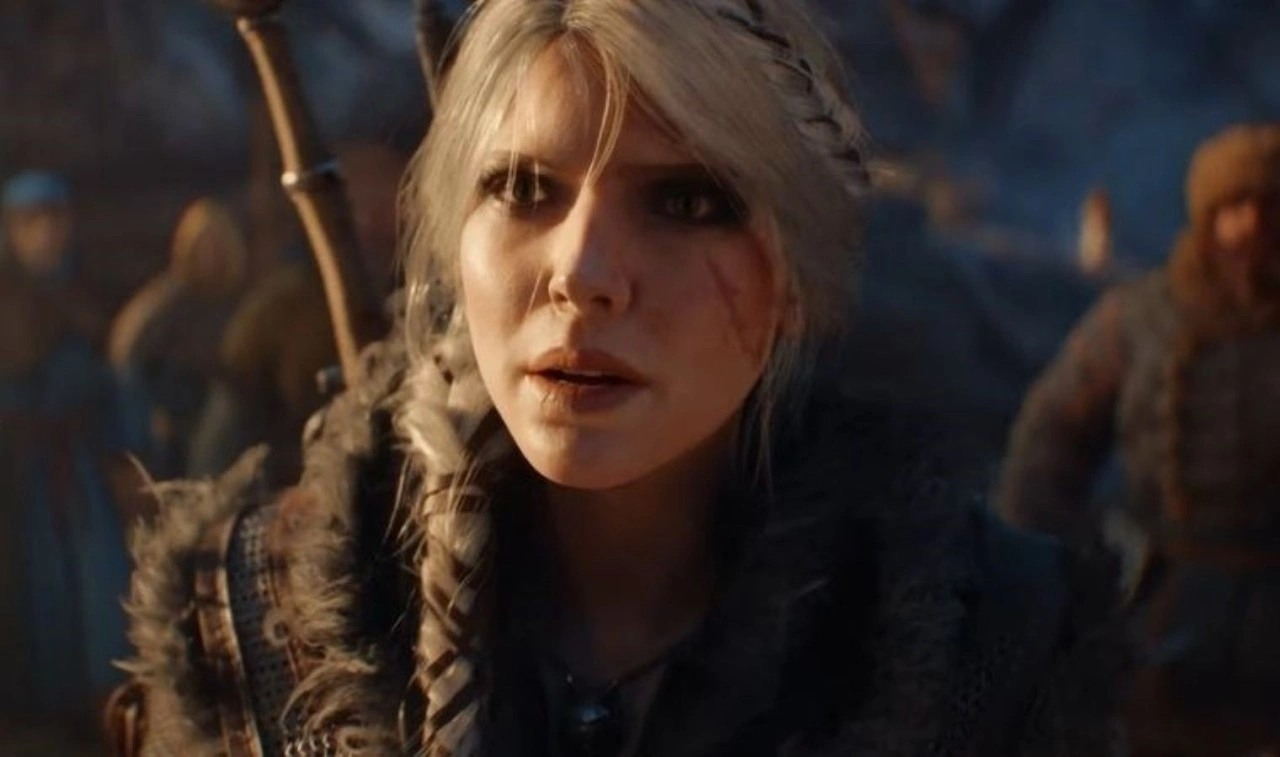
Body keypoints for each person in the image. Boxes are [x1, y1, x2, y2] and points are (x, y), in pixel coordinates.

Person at [111, 1, 1125, 755]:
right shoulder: (260, 629)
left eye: (683, 202)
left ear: (794, 280)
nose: (583, 274)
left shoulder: (981, 656)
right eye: (523, 188)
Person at [996, 123, 1280, 756]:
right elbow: (1051, 436)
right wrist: (1042, 569)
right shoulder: (1142, 315)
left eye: (1270, 207)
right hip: (1159, 608)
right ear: (1207, 217)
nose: (1253, 227)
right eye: (1236, 207)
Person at [0, 170, 136, 741]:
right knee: (37, 588)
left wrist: (126, 451)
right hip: (21, 471)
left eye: (55, 220)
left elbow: (116, 382)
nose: (47, 234)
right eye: (32, 223)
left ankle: (103, 701)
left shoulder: (89, 295)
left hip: (82, 465)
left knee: (98, 578)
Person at [108, 197, 249, 479]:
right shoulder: (169, 300)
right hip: (176, 404)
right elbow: (127, 352)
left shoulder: (239, 300)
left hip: (227, 402)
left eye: (216, 244)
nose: (209, 253)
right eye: (203, 244)